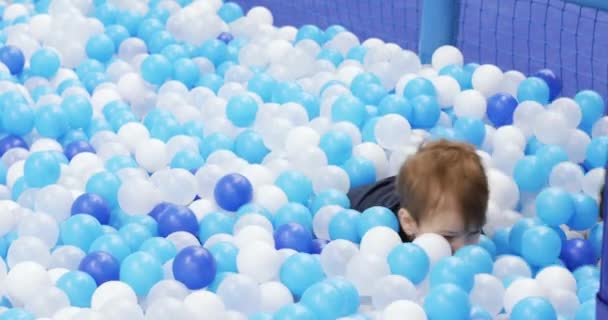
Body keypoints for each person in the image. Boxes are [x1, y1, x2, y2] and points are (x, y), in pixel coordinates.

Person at [348, 139, 489, 252]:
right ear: (409, 223)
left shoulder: (464, 220)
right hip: (366, 197)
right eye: (448, 237)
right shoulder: (388, 240)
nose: (464, 249)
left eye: (473, 233)